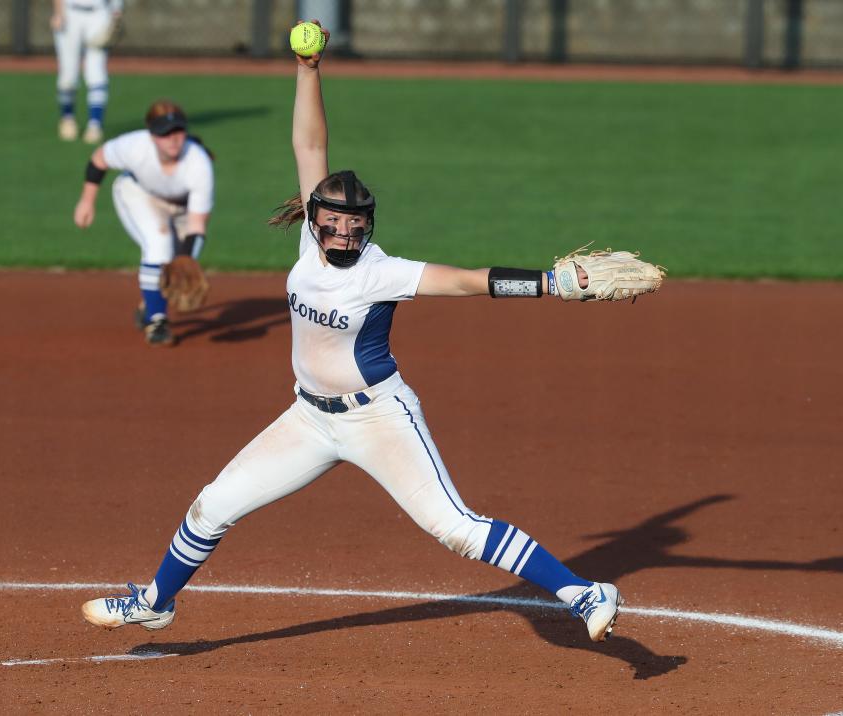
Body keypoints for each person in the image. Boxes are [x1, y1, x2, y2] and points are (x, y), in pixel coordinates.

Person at [80, 23, 625, 642]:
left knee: (456, 528)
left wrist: (551, 282)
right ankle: (156, 600)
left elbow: (469, 280)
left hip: (379, 418)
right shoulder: (312, 247)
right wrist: (308, 68)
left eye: (355, 224)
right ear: (314, 218)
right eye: (334, 221)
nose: (344, 233)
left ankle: (584, 591)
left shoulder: (382, 273)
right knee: (213, 505)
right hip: (309, 419)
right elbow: (310, 139)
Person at [73, 99, 215, 346]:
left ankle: (149, 302)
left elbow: (197, 225)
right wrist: (87, 201)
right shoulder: (134, 146)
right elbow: (98, 160)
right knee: (159, 243)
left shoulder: (198, 163)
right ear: (151, 134)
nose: (172, 138)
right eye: (164, 133)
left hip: (183, 208)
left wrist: (185, 259)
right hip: (139, 194)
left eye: (178, 130)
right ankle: (157, 321)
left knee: (178, 262)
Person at [51, 0, 123, 144]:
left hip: (99, 13)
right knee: (68, 75)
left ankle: (95, 125)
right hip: (70, 13)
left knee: (96, 72)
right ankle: (67, 118)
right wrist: (58, 13)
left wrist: (116, 11)